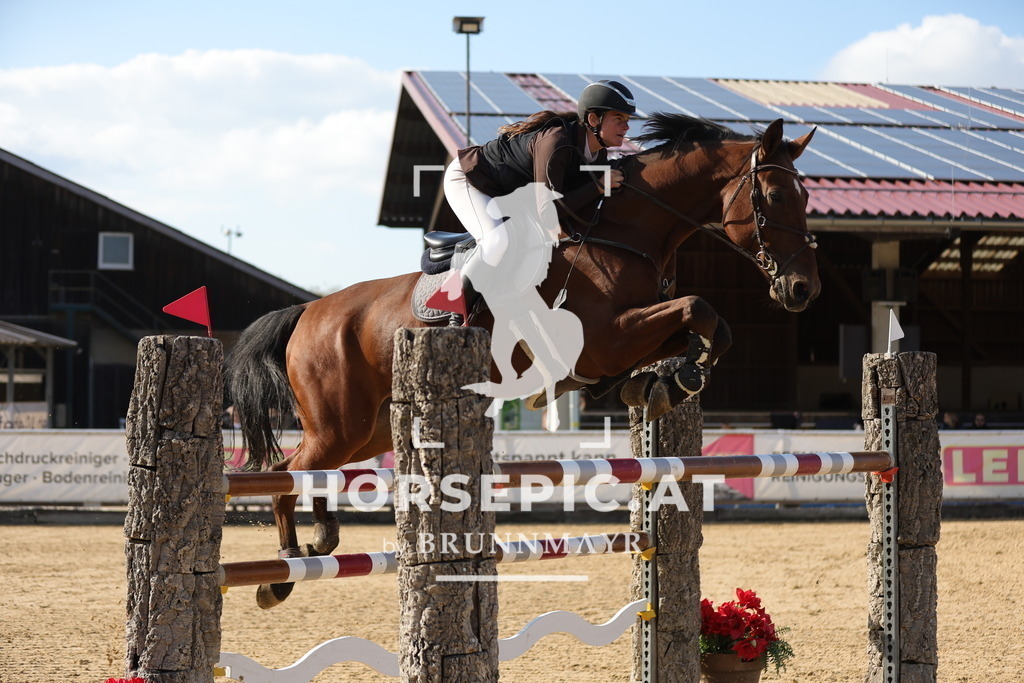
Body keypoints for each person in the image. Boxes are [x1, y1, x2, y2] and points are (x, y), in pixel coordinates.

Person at [442, 79, 636, 315]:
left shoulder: (597, 155)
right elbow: (546, 213)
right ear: (594, 119)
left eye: (627, 120)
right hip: (469, 178)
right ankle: (453, 309)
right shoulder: (556, 142)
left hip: (504, 192)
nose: (627, 127)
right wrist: (597, 186)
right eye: (619, 118)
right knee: (497, 241)